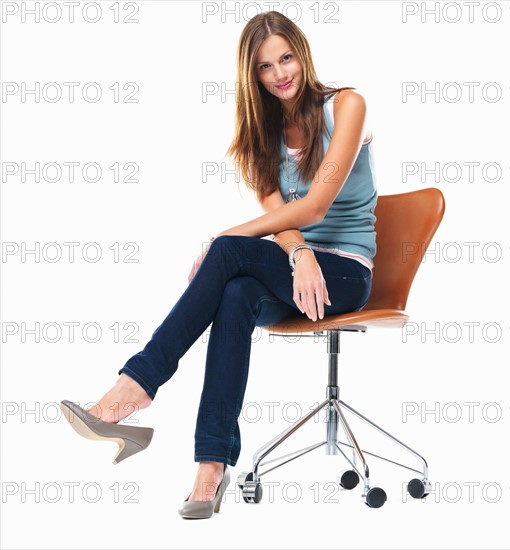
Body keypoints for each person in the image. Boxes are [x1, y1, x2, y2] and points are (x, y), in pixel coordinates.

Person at [60, 10, 377, 520]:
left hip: (344, 273)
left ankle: (134, 387)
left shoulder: (347, 106)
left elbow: (316, 206)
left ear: (303, 53)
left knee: (228, 251)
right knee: (234, 293)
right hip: (296, 271)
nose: (280, 73)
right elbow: (283, 221)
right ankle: (211, 467)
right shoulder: (261, 137)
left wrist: (225, 237)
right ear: (252, 76)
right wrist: (297, 253)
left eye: (287, 57)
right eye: (265, 67)